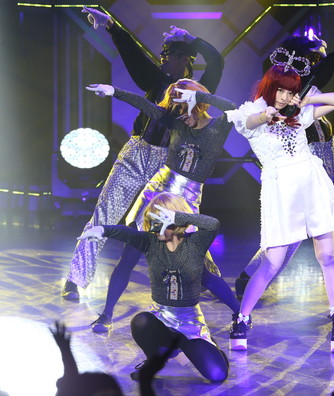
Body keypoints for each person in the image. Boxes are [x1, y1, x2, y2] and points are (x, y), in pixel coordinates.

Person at [62, 6, 224, 300]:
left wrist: (193, 40)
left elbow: (217, 61)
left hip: (169, 164)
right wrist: (111, 25)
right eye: (161, 56)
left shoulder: (201, 88)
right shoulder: (154, 81)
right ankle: (75, 279)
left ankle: (207, 278)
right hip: (136, 155)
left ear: (185, 59)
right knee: (104, 214)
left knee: (182, 221)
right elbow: (133, 55)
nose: (163, 61)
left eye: (169, 56)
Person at [234, 35, 334, 301]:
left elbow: (324, 84)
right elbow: (317, 75)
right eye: (314, 57)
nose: (318, 62)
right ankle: (251, 275)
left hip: (332, 155)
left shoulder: (309, 88)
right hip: (308, 163)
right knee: (292, 233)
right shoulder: (286, 93)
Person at [84, 79, 236, 332]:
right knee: (129, 256)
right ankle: (106, 316)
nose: (178, 110)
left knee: (200, 268)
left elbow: (231, 106)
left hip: (185, 200)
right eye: (175, 104)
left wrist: (197, 97)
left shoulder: (219, 127)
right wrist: (114, 91)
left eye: (183, 102)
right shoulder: (175, 122)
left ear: (197, 102)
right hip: (154, 194)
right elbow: (145, 105)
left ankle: (241, 314)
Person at [225, 63, 334, 352]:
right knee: (272, 262)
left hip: (312, 183)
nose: (283, 96)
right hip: (281, 189)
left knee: (328, 256)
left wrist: (307, 99)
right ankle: (242, 319)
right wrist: (265, 114)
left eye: (289, 91)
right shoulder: (251, 112)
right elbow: (252, 121)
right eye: (280, 89)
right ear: (269, 86)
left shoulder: (298, 111)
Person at [78, 192, 235, 382]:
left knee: (217, 375)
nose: (154, 228)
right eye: (152, 222)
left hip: (190, 323)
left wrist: (179, 216)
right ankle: (154, 361)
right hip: (161, 317)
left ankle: (194, 348)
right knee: (141, 322)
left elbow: (212, 224)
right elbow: (128, 233)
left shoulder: (195, 244)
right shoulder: (150, 242)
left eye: (160, 222)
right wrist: (102, 229)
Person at [50, 321, 124, 396]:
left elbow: (71, 377)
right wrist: (65, 350)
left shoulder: (71, 389)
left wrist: (65, 349)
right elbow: (72, 377)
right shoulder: (107, 383)